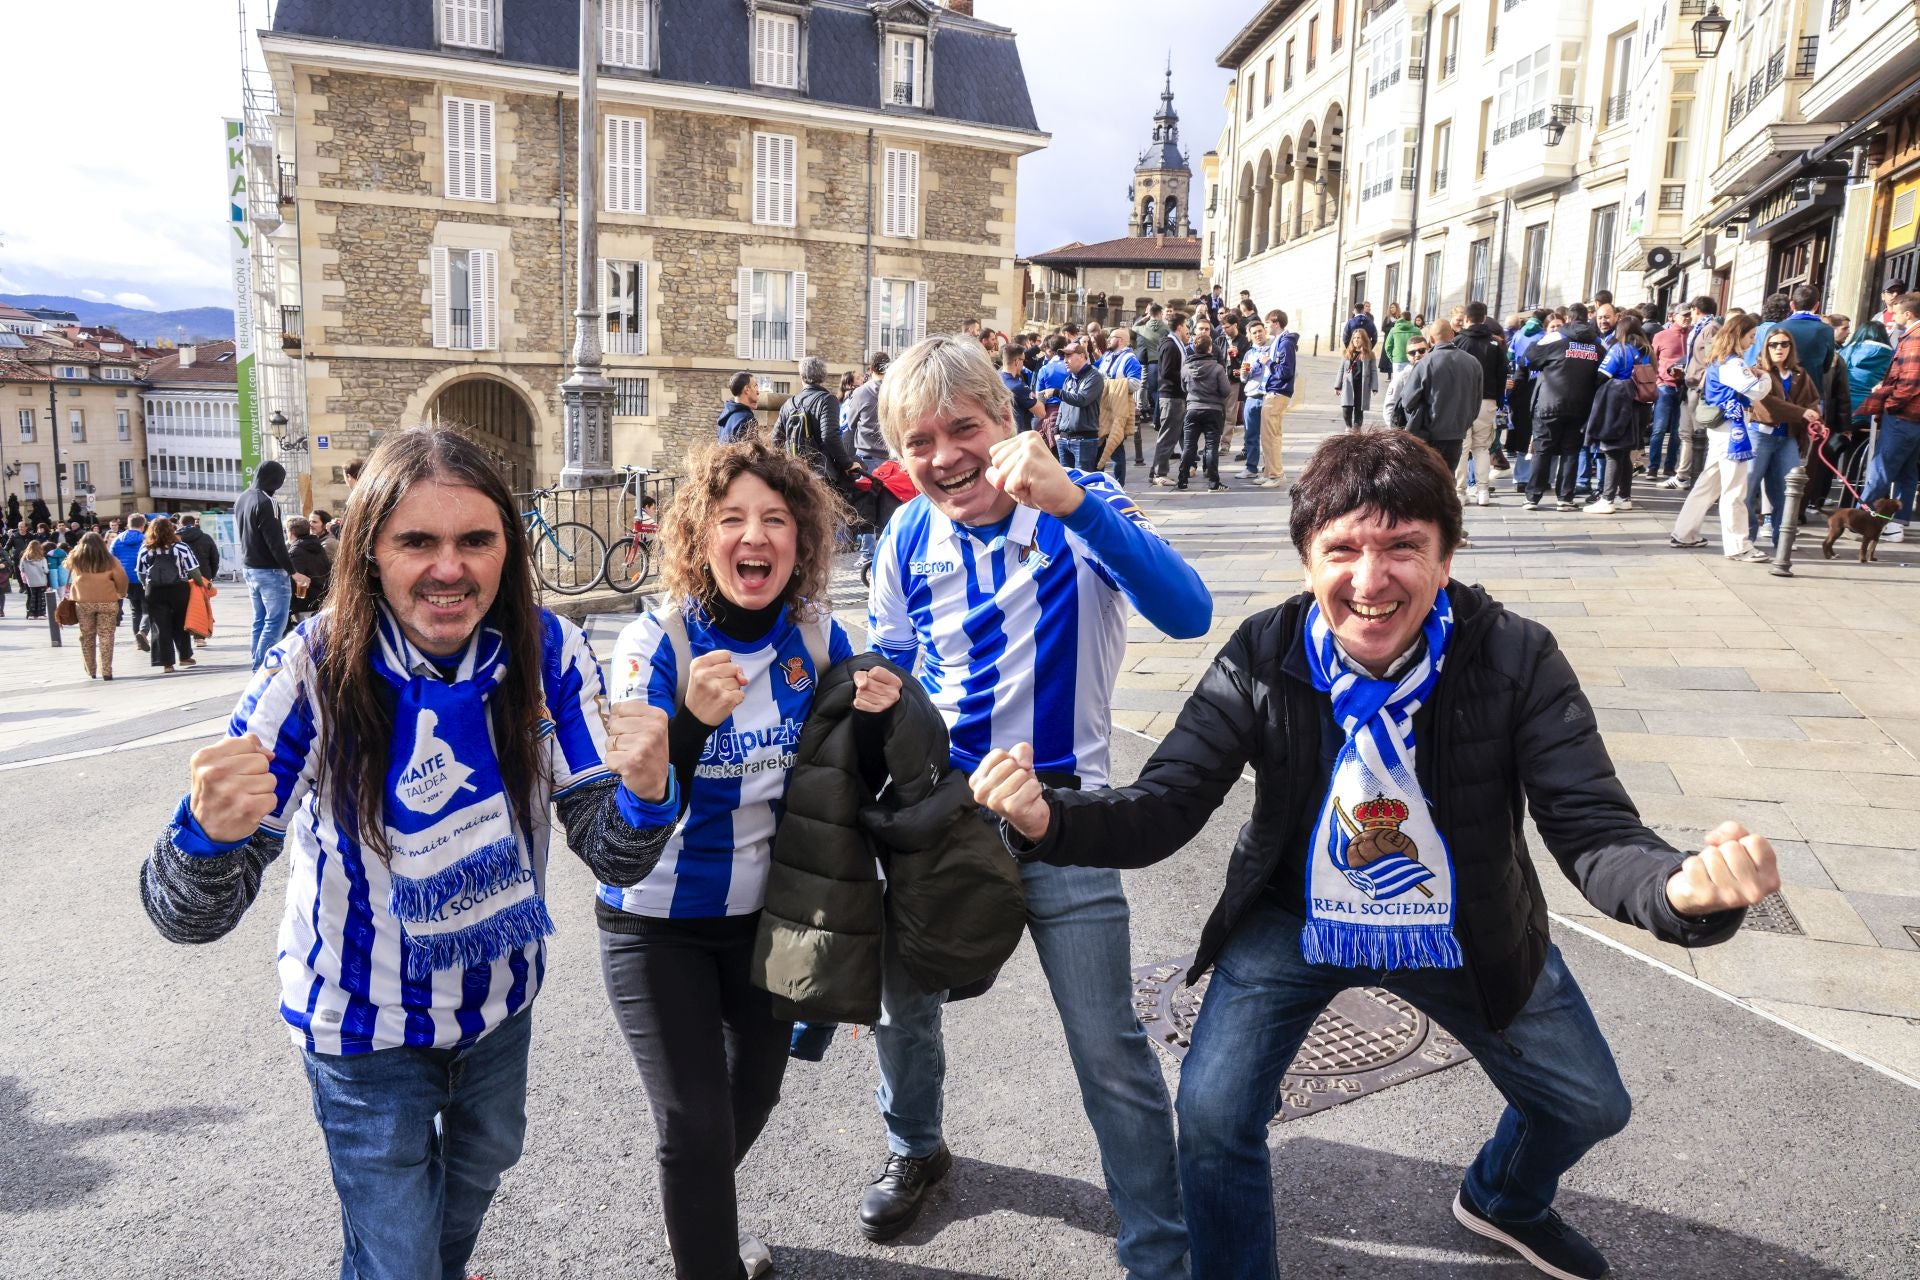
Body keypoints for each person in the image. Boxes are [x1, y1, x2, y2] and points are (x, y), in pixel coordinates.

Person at [969, 429, 1782, 1280]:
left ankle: (1503, 1195)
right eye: (1343, 549)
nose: (1369, 581)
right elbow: (1165, 805)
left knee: (1589, 1105)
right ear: (1306, 557)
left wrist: (1681, 890)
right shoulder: (1264, 651)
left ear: (1447, 554)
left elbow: (1592, 828)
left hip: (1464, 920)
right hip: (1293, 915)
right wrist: (1047, 820)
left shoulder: (1515, 655)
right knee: (1211, 1117)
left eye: (1403, 548)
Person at [140, 426, 675, 1279]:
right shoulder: (311, 669)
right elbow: (188, 918)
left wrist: (648, 799)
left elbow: (611, 856)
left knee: (478, 1177)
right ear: (371, 554)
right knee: (397, 1256)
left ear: (509, 547)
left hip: (500, 1004)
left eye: (476, 540)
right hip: (362, 1023)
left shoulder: (551, 653)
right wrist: (204, 838)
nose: (449, 568)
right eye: (416, 541)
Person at [864, 334, 1210, 1276]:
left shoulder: (1082, 505)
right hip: (944, 819)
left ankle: (1159, 1246)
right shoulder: (905, 534)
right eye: (920, 441)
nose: (944, 458)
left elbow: (1188, 612)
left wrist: (1074, 504)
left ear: (1009, 424)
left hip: (1068, 819)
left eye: (964, 429)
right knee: (904, 1010)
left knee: (1108, 1047)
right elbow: (895, 661)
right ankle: (918, 1144)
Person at [604, 438, 896, 1280]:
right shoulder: (652, 643)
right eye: (731, 519)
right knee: (694, 1126)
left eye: (774, 518)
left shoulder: (818, 637)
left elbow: (848, 775)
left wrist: (876, 719)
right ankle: (709, 1256)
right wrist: (688, 724)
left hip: (767, 921)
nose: (753, 536)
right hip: (655, 921)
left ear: (801, 542)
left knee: (752, 1098)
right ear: (700, 539)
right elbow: (633, 810)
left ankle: (698, 1212)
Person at [1670, 313, 1763, 557]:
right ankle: (1738, 546)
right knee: (1734, 490)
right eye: (1751, 336)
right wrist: (1765, 378)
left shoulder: (1720, 361)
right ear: (1739, 335)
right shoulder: (1732, 364)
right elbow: (1755, 391)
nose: (1753, 341)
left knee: (1708, 484)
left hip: (1723, 428)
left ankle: (1684, 532)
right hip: (1732, 429)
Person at [1741, 326, 1824, 554]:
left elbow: (1813, 400)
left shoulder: (1800, 374)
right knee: (1747, 489)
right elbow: (1766, 404)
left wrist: (1812, 412)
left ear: (1791, 347)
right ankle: (1747, 538)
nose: (1779, 348)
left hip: (1787, 438)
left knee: (1787, 492)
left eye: (1784, 344)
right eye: (1774, 344)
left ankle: (1783, 539)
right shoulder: (1757, 372)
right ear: (1766, 347)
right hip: (1759, 435)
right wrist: (1801, 413)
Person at [1521, 304, 1606, 511]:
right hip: (1581, 405)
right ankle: (1565, 498)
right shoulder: (1598, 343)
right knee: (1571, 451)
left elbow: (1530, 357)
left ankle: (1533, 497)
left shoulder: (1556, 337)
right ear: (1587, 319)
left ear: (1568, 318)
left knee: (1542, 449)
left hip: (1550, 402)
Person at [1857, 291, 1920, 544]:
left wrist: (1890, 402)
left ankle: (1862, 518)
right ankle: (1897, 524)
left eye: (1894, 312)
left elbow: (1912, 381)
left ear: (1908, 314)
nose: (1891, 317)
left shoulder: (1915, 339)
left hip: (1904, 416)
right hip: (1912, 417)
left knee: (1882, 469)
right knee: (1906, 472)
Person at [236, 461, 308, 670]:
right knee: (275, 622)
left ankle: (256, 665)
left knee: (260, 620)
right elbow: (275, 542)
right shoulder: (268, 502)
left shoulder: (243, 498)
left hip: (250, 567)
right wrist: (292, 572)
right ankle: (262, 668)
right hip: (271, 570)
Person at [1583, 319, 1654, 514]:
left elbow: (1603, 375)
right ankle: (1625, 497)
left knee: (1612, 451)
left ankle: (1607, 499)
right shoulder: (1646, 351)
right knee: (1624, 454)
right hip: (1639, 406)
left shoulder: (1619, 349)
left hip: (1617, 404)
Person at [1390, 321, 1480, 476]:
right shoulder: (1473, 362)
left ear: (1431, 339)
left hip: (1430, 433)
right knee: (1448, 478)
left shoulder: (1426, 363)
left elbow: (1407, 401)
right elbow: (1476, 401)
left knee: (1429, 480)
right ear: (1452, 335)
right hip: (1457, 432)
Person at [1453, 302, 1508, 504]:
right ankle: (1483, 490)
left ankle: (1460, 492)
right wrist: (1500, 399)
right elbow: (1503, 373)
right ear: (1484, 318)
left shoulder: (1458, 342)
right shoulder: (1495, 344)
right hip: (1487, 399)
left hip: (1462, 401)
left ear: (1466, 319)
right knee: (1482, 447)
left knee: (1462, 447)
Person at [137, 518, 208, 674]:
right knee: (181, 623)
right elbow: (193, 570)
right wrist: (202, 584)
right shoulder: (181, 547)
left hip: (154, 590)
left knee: (160, 627)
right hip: (178, 589)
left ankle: (166, 663)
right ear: (171, 530)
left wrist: (145, 585)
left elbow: (141, 572)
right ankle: (184, 656)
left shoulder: (145, 549)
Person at [66, 531, 129, 679]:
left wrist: (77, 549)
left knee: (86, 636)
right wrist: (121, 593)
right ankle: (106, 670)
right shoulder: (110, 560)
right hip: (107, 601)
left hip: (83, 602)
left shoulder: (76, 558)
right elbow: (122, 578)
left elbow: (66, 564)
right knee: (106, 635)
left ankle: (91, 669)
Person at [1647, 304, 1692, 485]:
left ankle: (1669, 466)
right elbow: (1652, 359)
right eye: (1684, 315)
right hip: (1665, 386)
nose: (1687, 318)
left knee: (1677, 431)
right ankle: (1652, 466)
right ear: (1673, 316)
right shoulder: (1661, 336)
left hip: (1684, 387)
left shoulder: (1692, 336)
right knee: (1659, 428)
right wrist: (1658, 379)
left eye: (1689, 315)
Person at [1255, 310, 1299, 487]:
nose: (1266, 327)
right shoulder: (1278, 342)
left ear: (1276, 323)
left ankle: (1275, 474)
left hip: (1277, 392)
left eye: (1267, 323)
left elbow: (1285, 371)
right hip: (1273, 391)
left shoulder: (1285, 343)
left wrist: (1267, 361)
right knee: (1268, 435)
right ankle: (1269, 471)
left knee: (1271, 435)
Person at [1053, 340, 1108, 473]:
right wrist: (1057, 430)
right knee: (1066, 483)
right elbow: (1063, 406)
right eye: (1064, 357)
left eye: (1069, 356)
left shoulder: (1094, 377)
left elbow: (1082, 399)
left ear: (1083, 356)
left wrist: (1057, 392)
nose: (1065, 360)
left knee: (1083, 483)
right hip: (1064, 439)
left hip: (1084, 440)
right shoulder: (1069, 379)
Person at [1099, 330, 1143, 486]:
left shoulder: (1130, 359)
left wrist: (1109, 383)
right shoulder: (1106, 356)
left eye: (1112, 338)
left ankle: (1119, 485)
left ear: (1122, 341)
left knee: (1116, 446)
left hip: (1119, 407)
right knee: (1101, 445)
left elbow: (1135, 384)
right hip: (1104, 408)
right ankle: (1099, 483)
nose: (1109, 340)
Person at [1151, 315, 1190, 485]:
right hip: (1171, 396)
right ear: (1180, 326)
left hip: (1175, 395)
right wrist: (1185, 376)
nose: (1188, 330)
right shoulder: (1170, 345)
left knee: (1170, 435)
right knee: (1168, 436)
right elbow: (1167, 372)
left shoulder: (1175, 344)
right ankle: (1159, 473)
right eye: (1186, 326)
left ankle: (1157, 471)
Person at [1239, 320, 1273, 476]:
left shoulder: (1273, 348)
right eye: (1254, 333)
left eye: (1260, 331)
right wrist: (1245, 372)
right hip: (1251, 396)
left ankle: (1270, 467)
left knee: (1269, 436)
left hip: (1268, 396)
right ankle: (1251, 467)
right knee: (1250, 434)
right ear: (1250, 336)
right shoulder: (1249, 353)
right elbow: (1243, 378)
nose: (1258, 334)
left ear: (1265, 331)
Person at [112, 514, 150, 650]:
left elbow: (111, 560)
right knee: (148, 609)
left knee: (135, 611)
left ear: (128, 525)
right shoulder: (146, 540)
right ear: (143, 526)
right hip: (143, 578)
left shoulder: (117, 540)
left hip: (125, 579)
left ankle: (138, 641)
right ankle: (143, 632)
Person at [287, 516, 332, 623]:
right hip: (321, 600)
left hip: (304, 603)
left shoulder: (295, 551)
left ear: (291, 532)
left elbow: (295, 582)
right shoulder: (318, 546)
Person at [1333, 328, 1377, 432]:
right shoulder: (1346, 353)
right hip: (1348, 384)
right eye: (1354, 338)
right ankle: (1348, 427)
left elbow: (1374, 371)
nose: (1356, 340)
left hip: (1362, 385)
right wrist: (1337, 386)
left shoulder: (1370, 354)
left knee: (1359, 408)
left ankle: (1357, 428)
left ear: (1364, 340)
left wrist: (1374, 387)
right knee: (1346, 407)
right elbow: (1341, 370)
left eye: (1359, 338)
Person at [1000, 343, 1037, 435]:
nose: (1023, 364)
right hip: (1015, 434)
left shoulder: (995, 377)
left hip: (999, 432)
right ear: (1017, 361)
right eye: (1023, 360)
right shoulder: (1017, 385)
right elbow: (1041, 412)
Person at [1383, 307, 1423, 391]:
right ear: (1410, 319)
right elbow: (1421, 345)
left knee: (1397, 384)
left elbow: (1387, 346)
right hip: (1412, 359)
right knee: (1411, 384)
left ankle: (1396, 402)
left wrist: (1392, 358)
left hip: (1398, 359)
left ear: (1401, 318)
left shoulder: (1394, 330)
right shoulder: (1416, 330)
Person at [718, 372, 761, 443]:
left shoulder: (725, 417)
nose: (758, 391)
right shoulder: (746, 419)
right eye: (755, 386)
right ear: (747, 389)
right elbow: (750, 452)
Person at [19, 539, 50, 619]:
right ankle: (41, 614)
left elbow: (21, 569)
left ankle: (32, 614)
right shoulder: (42, 559)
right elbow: (46, 570)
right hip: (41, 580)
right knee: (41, 597)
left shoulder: (24, 559)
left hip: (30, 581)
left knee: (32, 597)